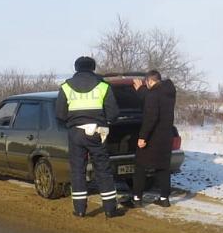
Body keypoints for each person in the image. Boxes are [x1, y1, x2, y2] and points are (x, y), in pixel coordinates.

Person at [55, 56, 123, 218]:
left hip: (76, 133)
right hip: (97, 133)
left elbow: (60, 114)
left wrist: (73, 121)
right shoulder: (103, 86)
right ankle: (110, 209)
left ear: (76, 68)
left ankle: (79, 209)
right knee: (103, 170)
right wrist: (105, 121)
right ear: (93, 68)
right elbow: (114, 113)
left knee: (78, 170)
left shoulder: (65, 87)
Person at [125, 71, 177, 208]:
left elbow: (150, 117)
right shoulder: (169, 93)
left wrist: (142, 137)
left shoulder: (153, 95)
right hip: (166, 137)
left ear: (149, 81)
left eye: (146, 83)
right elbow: (154, 99)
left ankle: (136, 199)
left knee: (140, 167)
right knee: (163, 168)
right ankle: (164, 199)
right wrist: (143, 90)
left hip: (153, 138)